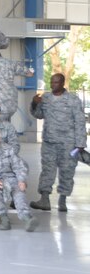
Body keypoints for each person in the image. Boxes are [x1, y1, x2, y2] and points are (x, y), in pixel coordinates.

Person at [29, 73, 86, 212]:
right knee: (47, 170)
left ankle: (63, 200)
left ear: (62, 83)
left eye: (56, 82)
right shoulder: (46, 98)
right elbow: (38, 115)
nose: (53, 85)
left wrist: (80, 143)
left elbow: (80, 122)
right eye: (51, 82)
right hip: (49, 142)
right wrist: (34, 103)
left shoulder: (73, 100)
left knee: (67, 171)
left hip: (68, 143)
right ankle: (44, 199)